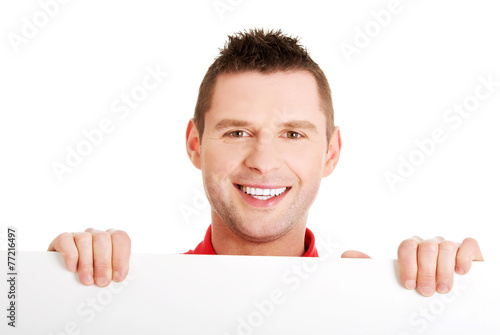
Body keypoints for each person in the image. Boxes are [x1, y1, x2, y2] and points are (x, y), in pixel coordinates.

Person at [47, 28, 483, 297]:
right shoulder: (125, 294)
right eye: (238, 132)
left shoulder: (373, 299)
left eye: (293, 134)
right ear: (195, 145)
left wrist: (464, 302)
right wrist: (43, 291)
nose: (263, 161)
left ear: (330, 153)